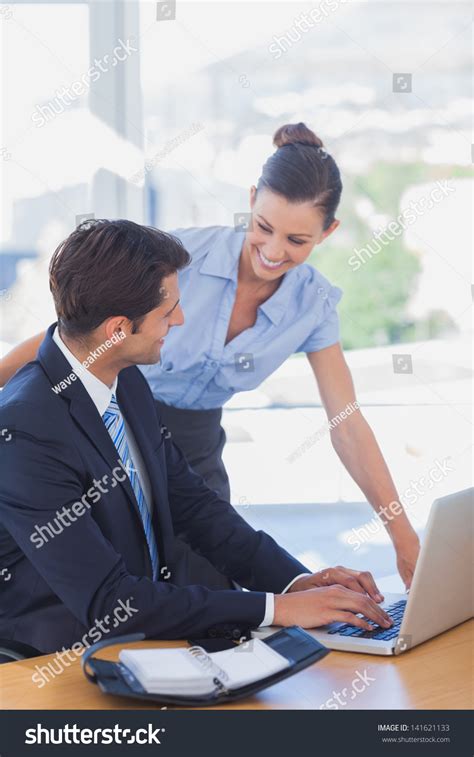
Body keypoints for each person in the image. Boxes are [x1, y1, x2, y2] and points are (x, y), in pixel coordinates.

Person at [0, 122, 420, 591]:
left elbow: (346, 423)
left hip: (193, 453)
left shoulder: (314, 304)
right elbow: (74, 331)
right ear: (251, 198)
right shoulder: (181, 258)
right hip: (107, 428)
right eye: (263, 227)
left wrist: (403, 538)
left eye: (297, 241)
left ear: (328, 232)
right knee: (107, 590)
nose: (273, 251)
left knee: (216, 591)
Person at [0, 219, 393, 654]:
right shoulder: (25, 431)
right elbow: (110, 602)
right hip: (57, 660)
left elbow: (194, 506)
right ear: (117, 330)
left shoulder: (125, 380)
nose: (180, 319)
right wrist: (277, 610)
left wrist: (297, 583)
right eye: (167, 312)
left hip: (142, 643)